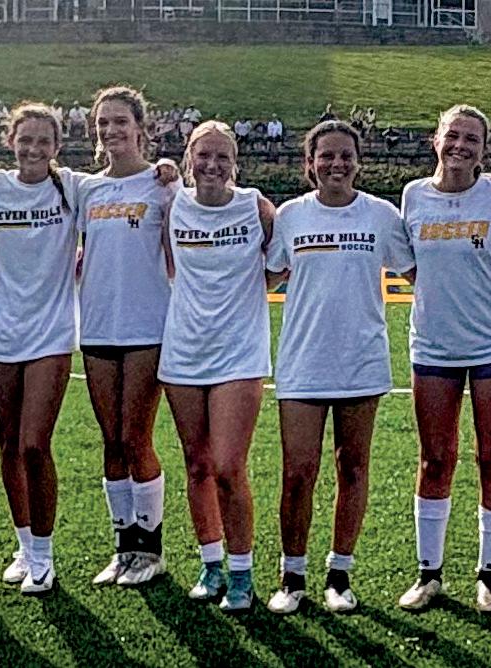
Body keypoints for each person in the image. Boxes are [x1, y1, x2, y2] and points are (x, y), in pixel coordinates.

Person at [263, 120, 404, 614]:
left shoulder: (382, 215)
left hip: (361, 361)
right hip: (302, 361)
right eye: (326, 155)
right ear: (310, 163)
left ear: (358, 162)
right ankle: (292, 575)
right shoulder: (290, 216)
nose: (336, 164)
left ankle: (339, 574)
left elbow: (420, 270)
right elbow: (266, 274)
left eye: (345, 155)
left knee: (353, 467)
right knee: (298, 472)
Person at [393, 105, 491, 614]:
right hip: (433, 344)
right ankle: (429, 573)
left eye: (472, 139)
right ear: (436, 140)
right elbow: (411, 267)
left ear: (483, 149)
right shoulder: (413, 195)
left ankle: (490, 576)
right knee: (435, 458)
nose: (460, 146)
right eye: (453, 135)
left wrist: (481, 288)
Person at [0, 102, 87, 595]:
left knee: (35, 444)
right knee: (8, 443)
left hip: (52, 334)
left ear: (57, 146)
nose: (34, 149)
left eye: (44, 141)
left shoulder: (73, 188)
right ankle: (23, 547)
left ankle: (44, 554)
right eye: (25, 140)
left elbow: (125, 187)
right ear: (10, 141)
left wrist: (165, 170)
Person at [163, 120, 277, 612]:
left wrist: (240, 301)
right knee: (197, 464)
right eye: (203, 155)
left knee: (229, 466)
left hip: (239, 354)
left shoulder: (256, 207)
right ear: (189, 159)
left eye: (222, 157)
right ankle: (211, 565)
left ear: (235, 163)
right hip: (184, 351)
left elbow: (278, 266)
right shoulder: (172, 204)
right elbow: (169, 264)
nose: (212, 165)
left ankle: (242, 572)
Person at [78, 86, 179, 588]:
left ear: (141, 128)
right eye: (103, 123)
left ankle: (150, 549)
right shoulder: (85, 190)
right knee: (111, 440)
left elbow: (178, 256)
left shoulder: (161, 186)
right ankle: (123, 547)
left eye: (121, 121)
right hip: (97, 325)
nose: (111, 130)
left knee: (136, 437)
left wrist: (173, 172)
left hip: (146, 326)